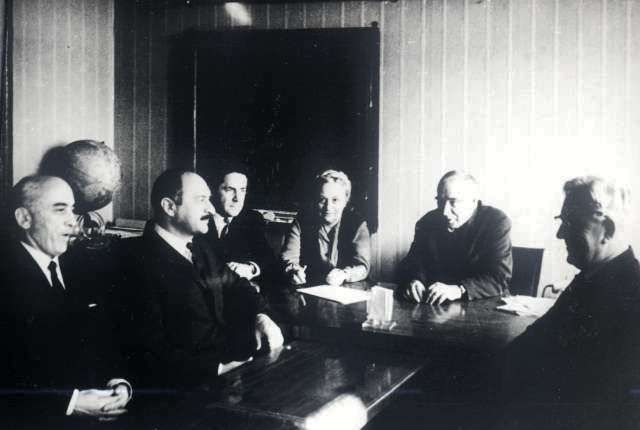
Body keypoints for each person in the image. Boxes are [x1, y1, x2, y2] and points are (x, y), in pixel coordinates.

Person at [119, 169, 283, 388]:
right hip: (187, 388)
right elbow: (150, 351)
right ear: (169, 207)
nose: (211, 209)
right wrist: (218, 368)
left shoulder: (200, 247)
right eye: (201, 199)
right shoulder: (135, 262)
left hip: (230, 373)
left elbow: (238, 286)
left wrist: (261, 316)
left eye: (209, 199)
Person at [0, 175, 132, 427]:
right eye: (60, 210)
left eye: (73, 210)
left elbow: (104, 338)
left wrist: (117, 382)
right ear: (24, 218)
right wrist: (69, 404)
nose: (73, 221)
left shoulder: (80, 265)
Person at [502, 176, 640, 404]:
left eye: (571, 223)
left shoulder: (631, 296)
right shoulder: (590, 278)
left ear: (608, 229)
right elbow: (531, 344)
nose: (560, 234)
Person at [397, 171, 512, 304]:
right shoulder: (428, 222)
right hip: (436, 305)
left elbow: (498, 278)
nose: (445, 212)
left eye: (453, 202)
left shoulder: (496, 222)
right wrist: (415, 280)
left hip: (483, 305)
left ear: (474, 201)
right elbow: (413, 262)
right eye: (441, 201)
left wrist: (458, 289)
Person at [280, 169, 371, 286]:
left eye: (335, 200)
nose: (328, 207)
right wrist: (294, 271)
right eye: (322, 200)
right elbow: (288, 258)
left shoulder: (357, 224)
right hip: (309, 288)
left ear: (345, 201)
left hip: (346, 290)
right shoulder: (301, 222)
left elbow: (363, 266)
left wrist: (344, 274)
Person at [204, 164, 277, 286]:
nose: (237, 199)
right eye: (229, 190)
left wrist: (251, 268)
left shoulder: (251, 219)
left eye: (242, 190)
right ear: (212, 191)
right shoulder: (199, 219)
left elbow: (268, 259)